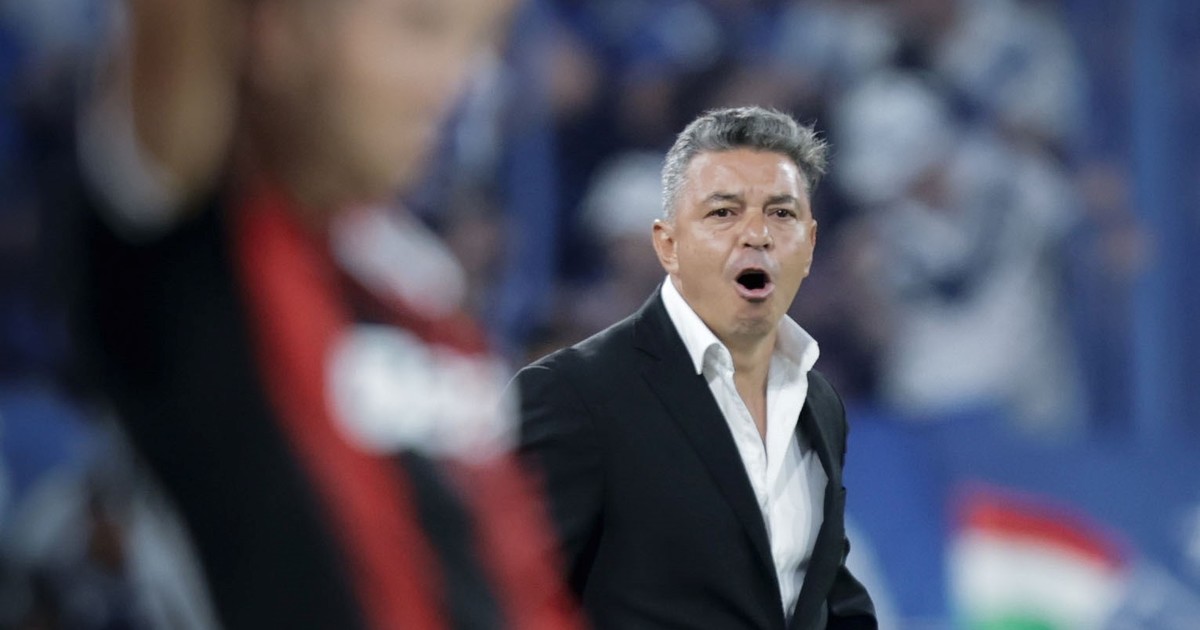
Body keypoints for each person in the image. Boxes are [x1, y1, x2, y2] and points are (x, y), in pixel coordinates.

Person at [66, 0, 582, 628]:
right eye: (419, 26)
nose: (456, 81)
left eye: (478, 41)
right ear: (273, 30)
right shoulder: (191, 229)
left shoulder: (417, 279)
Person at [512, 106, 877, 629]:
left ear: (810, 244)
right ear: (668, 244)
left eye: (781, 213)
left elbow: (829, 600)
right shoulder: (574, 393)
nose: (757, 235)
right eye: (724, 213)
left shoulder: (818, 403)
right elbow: (512, 595)